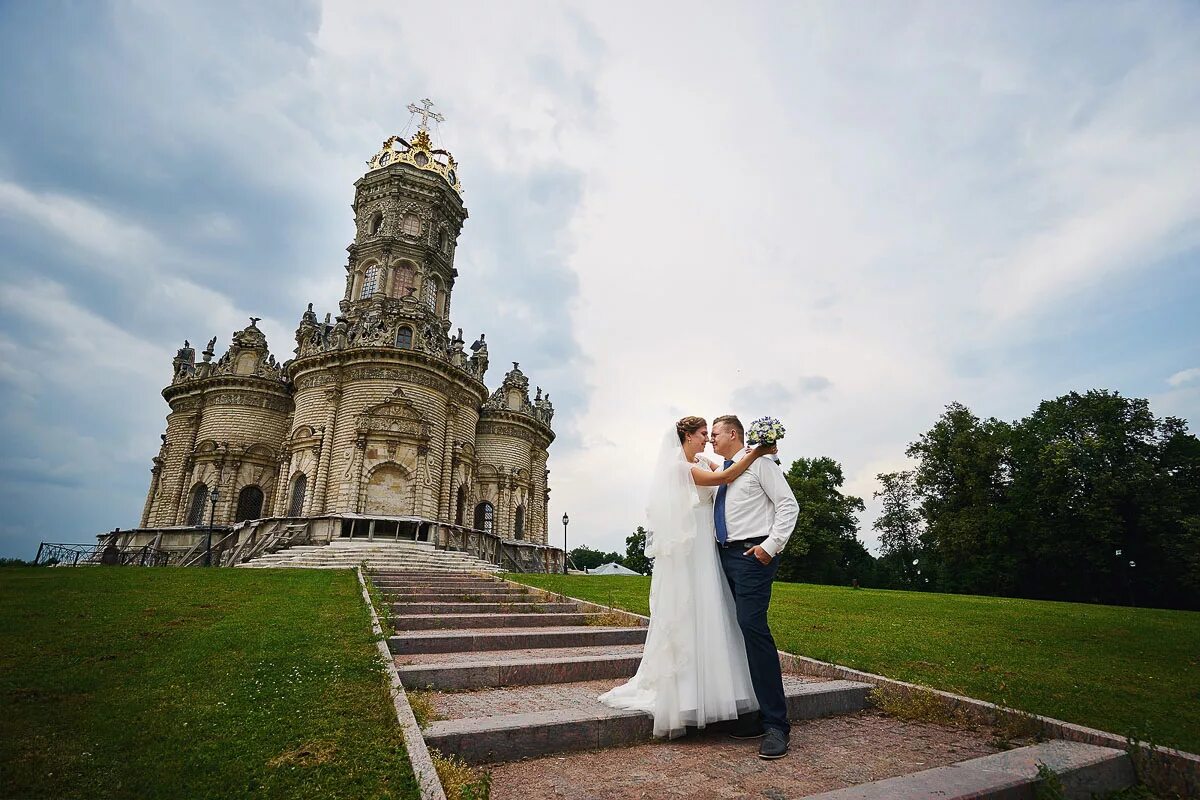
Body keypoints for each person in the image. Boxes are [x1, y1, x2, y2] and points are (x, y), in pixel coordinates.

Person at [598, 416, 776, 739]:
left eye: (711, 433)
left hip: (709, 549)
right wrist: (757, 452)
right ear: (687, 435)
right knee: (693, 612)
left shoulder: (699, 460)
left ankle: (718, 689)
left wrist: (762, 454)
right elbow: (725, 476)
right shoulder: (681, 469)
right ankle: (690, 694)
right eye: (703, 433)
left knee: (714, 615)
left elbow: (725, 462)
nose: (708, 439)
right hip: (694, 551)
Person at [709, 414, 800, 759]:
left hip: (752, 555)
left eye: (715, 434)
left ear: (733, 433)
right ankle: (759, 715)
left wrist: (770, 546)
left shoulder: (761, 464)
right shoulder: (726, 471)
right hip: (724, 557)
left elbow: (789, 505)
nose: (711, 440)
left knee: (753, 627)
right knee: (738, 632)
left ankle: (777, 724)